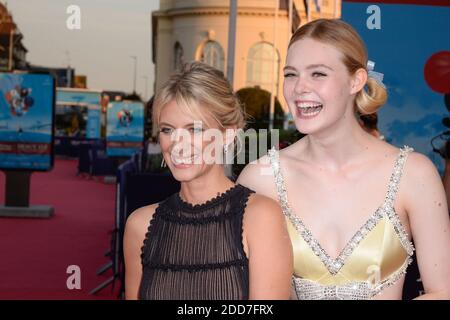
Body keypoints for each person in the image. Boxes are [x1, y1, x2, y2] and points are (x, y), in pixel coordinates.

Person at [238, 19, 450, 300]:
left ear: (356, 80)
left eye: (318, 74)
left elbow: (444, 291)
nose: (299, 88)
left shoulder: (414, 175)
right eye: (291, 74)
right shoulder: (259, 178)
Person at [123, 61, 293, 300]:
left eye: (194, 129)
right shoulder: (139, 225)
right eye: (167, 130)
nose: (177, 143)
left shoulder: (261, 218)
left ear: (228, 135)